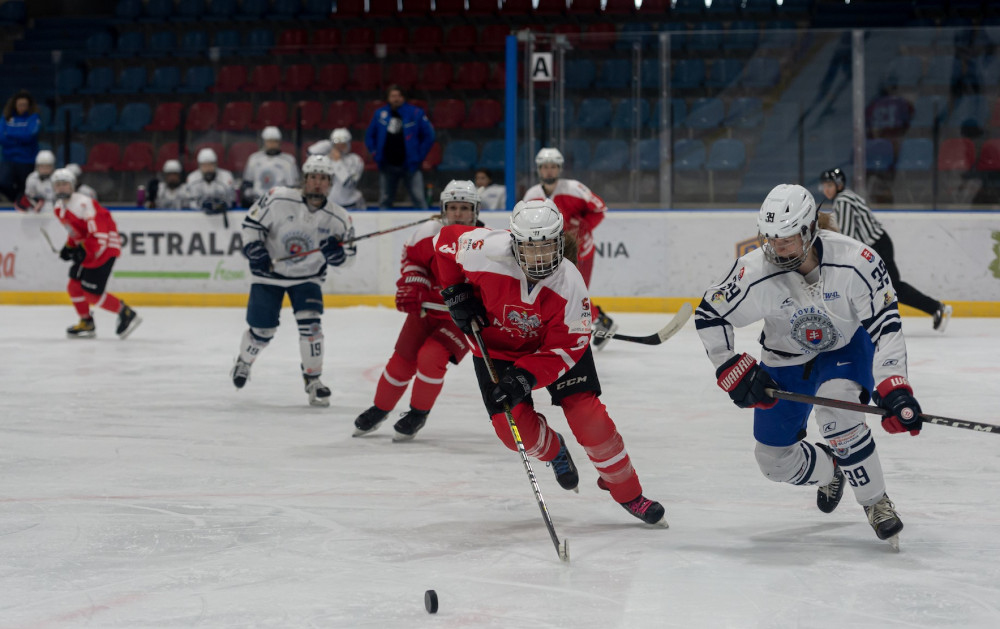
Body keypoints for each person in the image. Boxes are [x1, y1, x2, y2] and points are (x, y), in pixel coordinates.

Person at [696, 183, 921, 548]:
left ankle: (875, 501)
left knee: (838, 416)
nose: (776, 248)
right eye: (769, 239)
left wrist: (894, 385)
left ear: (809, 230)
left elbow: (886, 325)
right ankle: (830, 468)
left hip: (845, 350)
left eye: (786, 239)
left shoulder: (856, 261)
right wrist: (729, 366)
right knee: (772, 460)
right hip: (785, 360)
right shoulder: (753, 270)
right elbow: (710, 314)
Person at [433, 198, 668, 527]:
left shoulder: (571, 285)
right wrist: (456, 291)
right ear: (514, 243)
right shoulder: (484, 248)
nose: (539, 257)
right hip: (496, 349)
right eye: (530, 248)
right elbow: (444, 242)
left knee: (590, 419)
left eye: (547, 247)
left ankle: (628, 492)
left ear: (559, 242)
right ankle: (554, 449)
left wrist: (524, 378)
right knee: (511, 429)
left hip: (549, 350)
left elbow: (566, 348)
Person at [353, 180, 482, 442]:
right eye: (453, 207)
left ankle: (417, 413)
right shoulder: (428, 231)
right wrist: (415, 282)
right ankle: (380, 408)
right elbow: (412, 259)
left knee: (431, 357)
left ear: (475, 211)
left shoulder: (486, 242)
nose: (458, 213)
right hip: (426, 311)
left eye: (464, 208)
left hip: (460, 319)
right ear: (443, 208)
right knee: (401, 362)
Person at [230, 155, 355, 407]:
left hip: (307, 278)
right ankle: (244, 361)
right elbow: (251, 225)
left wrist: (337, 255)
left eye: (323, 179)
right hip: (268, 275)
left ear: (330, 184)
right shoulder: (277, 197)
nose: (317, 184)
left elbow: (348, 258)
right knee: (262, 332)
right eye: (313, 178)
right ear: (304, 180)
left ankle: (313, 381)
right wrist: (255, 249)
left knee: (312, 329)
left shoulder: (339, 218)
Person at [820, 168, 951, 332]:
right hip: (877, 244)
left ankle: (935, 307)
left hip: (878, 246)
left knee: (893, 287)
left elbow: (846, 235)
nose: (826, 189)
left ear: (839, 185)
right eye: (824, 185)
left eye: (830, 185)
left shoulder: (843, 201)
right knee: (877, 286)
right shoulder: (846, 197)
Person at [522, 147, 617, 349]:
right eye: (545, 167)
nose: (549, 171)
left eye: (553, 167)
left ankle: (597, 321)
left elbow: (599, 208)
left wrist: (584, 226)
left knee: (575, 293)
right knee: (557, 292)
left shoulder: (574, 188)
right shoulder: (531, 195)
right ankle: (602, 320)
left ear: (559, 169)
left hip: (581, 251)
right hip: (551, 252)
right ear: (539, 169)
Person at [51, 168, 142, 339]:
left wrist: (83, 252)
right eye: (58, 185)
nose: (61, 188)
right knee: (74, 286)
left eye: (65, 184)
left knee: (92, 294)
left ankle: (126, 313)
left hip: (105, 249)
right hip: (89, 248)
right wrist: (69, 247)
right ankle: (86, 322)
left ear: (73, 186)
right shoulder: (59, 208)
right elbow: (76, 233)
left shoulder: (84, 204)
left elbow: (100, 236)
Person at [365, 84, 434, 209]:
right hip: (387, 164)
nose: (395, 99)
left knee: (419, 198)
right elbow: (369, 136)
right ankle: (383, 226)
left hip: (410, 165)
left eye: (398, 96)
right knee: (385, 199)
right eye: (392, 96)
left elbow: (429, 136)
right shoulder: (380, 114)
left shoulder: (415, 113)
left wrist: (419, 156)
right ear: (388, 98)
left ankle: (428, 228)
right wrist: (375, 153)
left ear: (403, 97)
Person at [307, 128, 366, 209]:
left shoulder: (355, 160)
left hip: (352, 204)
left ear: (348, 144)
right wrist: (328, 143)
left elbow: (349, 183)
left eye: (343, 144)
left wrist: (337, 162)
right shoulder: (326, 159)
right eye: (337, 145)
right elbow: (309, 153)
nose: (339, 148)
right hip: (330, 205)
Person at [241, 126, 299, 206]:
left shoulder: (288, 160)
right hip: (257, 203)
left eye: (275, 141)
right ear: (264, 142)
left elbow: (292, 187)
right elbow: (247, 184)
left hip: (279, 204)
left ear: (279, 142)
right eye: (269, 141)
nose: (272, 145)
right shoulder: (254, 159)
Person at [0, 89, 41, 203]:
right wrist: (20, 137)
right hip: (8, 159)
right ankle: (16, 200)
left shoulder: (33, 118)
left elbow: (30, 136)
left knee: (25, 188)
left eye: (24, 105)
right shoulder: (6, 118)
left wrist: (10, 134)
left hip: (27, 160)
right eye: (19, 105)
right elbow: (1, 138)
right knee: (3, 183)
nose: (22, 107)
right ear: (14, 105)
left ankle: (22, 204)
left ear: (29, 106)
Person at [184, 148, 235, 213]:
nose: (208, 169)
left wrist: (218, 206)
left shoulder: (226, 176)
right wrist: (202, 206)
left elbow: (230, 201)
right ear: (199, 166)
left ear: (216, 164)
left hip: (221, 214)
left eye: (210, 165)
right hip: (198, 216)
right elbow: (190, 202)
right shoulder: (192, 178)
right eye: (204, 165)